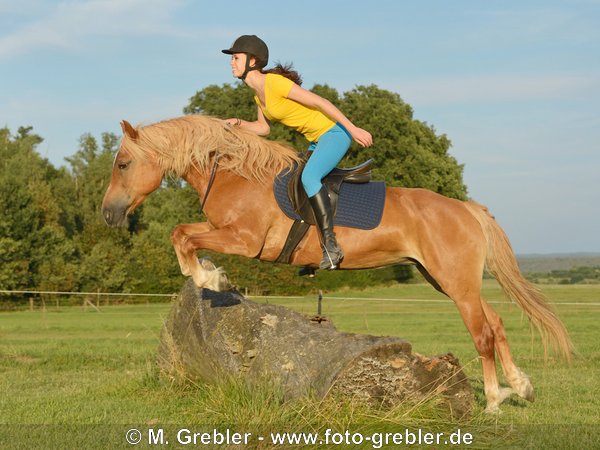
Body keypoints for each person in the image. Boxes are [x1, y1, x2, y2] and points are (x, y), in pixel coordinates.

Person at [222, 35, 373, 270]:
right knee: (290, 179)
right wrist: (238, 122)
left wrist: (352, 129)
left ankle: (331, 246)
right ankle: (308, 248)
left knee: (309, 178)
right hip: (317, 142)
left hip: (334, 134)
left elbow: (321, 102)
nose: (231, 62)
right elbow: (263, 128)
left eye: (236, 58)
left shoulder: (274, 83)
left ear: (252, 61)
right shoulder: (258, 95)